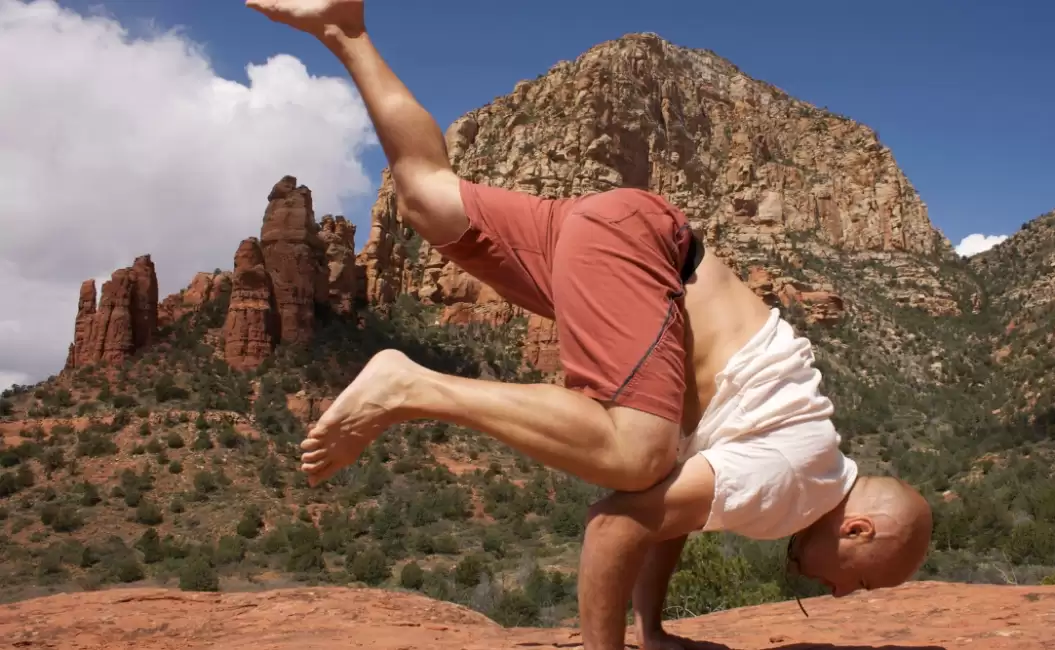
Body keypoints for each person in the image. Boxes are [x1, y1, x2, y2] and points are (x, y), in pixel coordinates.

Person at [245, 1, 934, 648]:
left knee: (426, 193)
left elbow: (665, 514)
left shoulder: (798, 456)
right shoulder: (794, 488)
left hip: (617, 238)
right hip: (644, 257)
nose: (840, 592)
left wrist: (652, 629)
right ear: (858, 531)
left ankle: (346, 30)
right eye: (859, 579)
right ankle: (409, 384)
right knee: (635, 454)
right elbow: (618, 523)